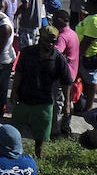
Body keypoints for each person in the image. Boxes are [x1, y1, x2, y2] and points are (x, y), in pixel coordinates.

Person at [10, 25, 72, 158]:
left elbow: (67, 82)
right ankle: (14, 151)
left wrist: (67, 103)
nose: (49, 44)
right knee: (16, 127)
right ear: (40, 39)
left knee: (41, 132)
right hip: (24, 97)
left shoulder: (59, 58)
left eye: (53, 42)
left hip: (45, 101)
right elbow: (19, 73)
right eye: (46, 41)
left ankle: (38, 153)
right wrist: (14, 91)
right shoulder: (27, 52)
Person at [76, 0, 97, 111]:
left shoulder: (94, 20)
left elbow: (87, 40)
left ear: (94, 6)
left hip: (89, 55)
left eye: (88, 3)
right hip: (90, 54)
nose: (85, 4)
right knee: (87, 80)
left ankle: (88, 107)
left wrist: (78, 55)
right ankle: (83, 103)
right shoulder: (95, 16)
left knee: (91, 81)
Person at [51, 9, 79, 137]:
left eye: (55, 18)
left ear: (61, 20)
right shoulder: (73, 33)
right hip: (72, 72)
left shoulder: (62, 36)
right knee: (68, 101)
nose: (53, 21)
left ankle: (55, 129)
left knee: (58, 101)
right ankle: (65, 126)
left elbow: (56, 53)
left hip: (62, 74)